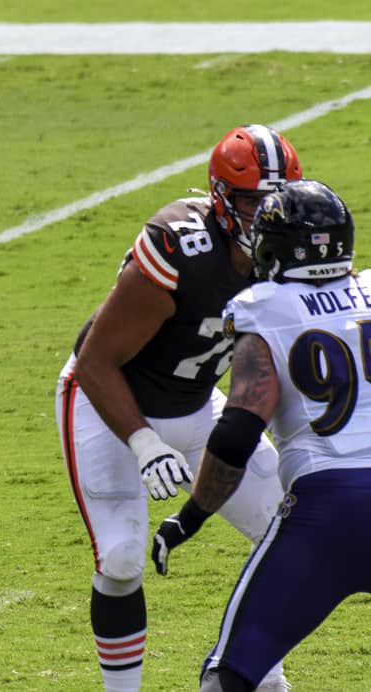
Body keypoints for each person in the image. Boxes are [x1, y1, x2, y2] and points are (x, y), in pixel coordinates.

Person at [54, 124, 301, 692]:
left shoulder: (290, 249)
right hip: (106, 404)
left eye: (276, 198)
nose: (266, 214)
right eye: (250, 200)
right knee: (119, 561)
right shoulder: (182, 247)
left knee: (289, 530)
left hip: (195, 407)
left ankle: (261, 677)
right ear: (220, 197)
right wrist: (143, 444)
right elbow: (95, 361)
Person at [151, 179, 370, 691]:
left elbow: (236, 434)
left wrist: (191, 517)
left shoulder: (265, 306)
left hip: (328, 510)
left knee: (230, 675)